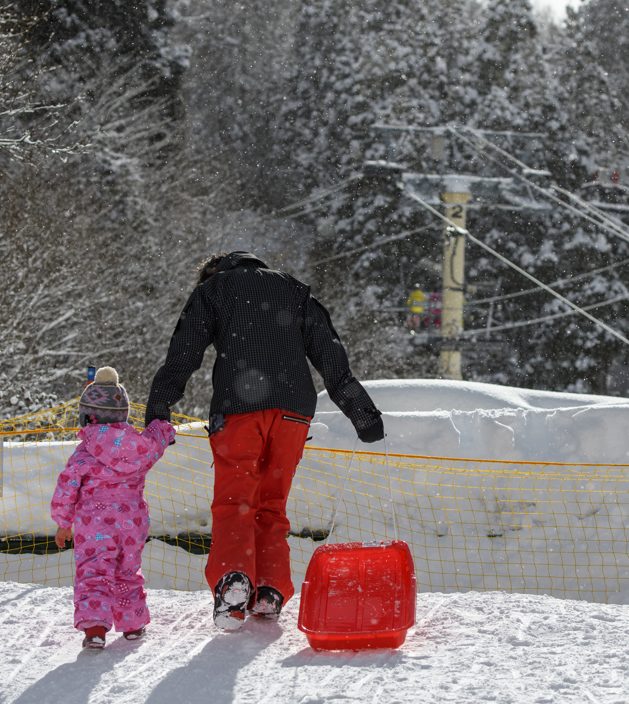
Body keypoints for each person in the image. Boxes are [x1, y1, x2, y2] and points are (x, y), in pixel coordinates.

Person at [144, 251, 384, 631]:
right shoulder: (292, 288)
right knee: (272, 504)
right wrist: (362, 413)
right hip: (294, 411)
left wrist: (159, 407)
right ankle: (270, 589)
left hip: (239, 406)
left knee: (234, 502)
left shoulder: (213, 289)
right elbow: (330, 354)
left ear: (212, 271)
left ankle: (233, 581)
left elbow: (183, 353)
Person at [51, 366, 176, 649]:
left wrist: (63, 521)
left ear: (87, 415)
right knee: (127, 570)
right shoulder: (140, 445)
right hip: (132, 520)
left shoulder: (84, 451)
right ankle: (132, 624)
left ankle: (95, 628)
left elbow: (67, 487)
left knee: (94, 571)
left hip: (94, 523)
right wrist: (163, 428)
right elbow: (157, 439)